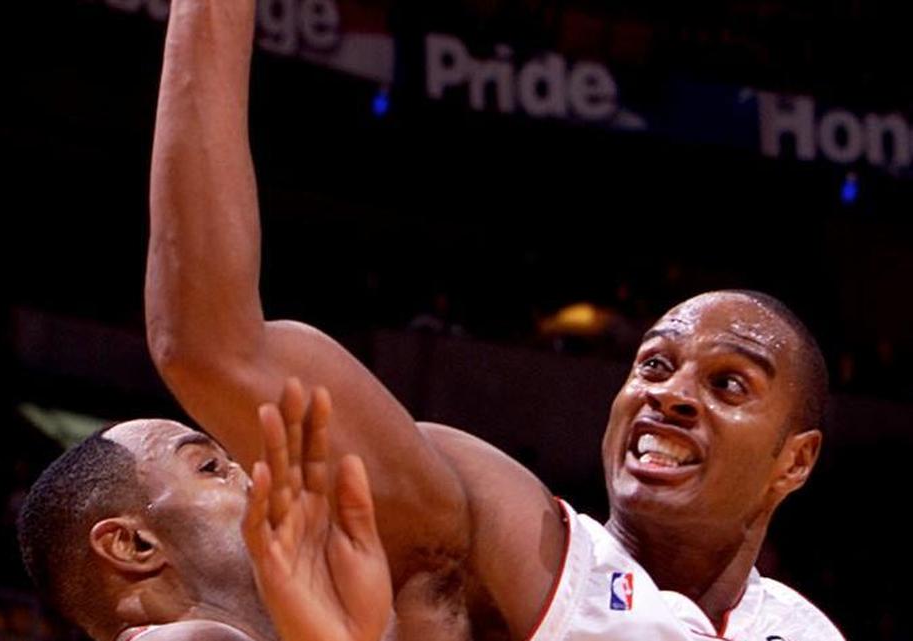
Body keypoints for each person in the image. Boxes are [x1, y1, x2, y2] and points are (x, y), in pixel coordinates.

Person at [141, 0, 845, 636]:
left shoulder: (806, 630)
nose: (670, 393)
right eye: (654, 364)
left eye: (728, 384)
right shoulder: (514, 541)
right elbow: (212, 347)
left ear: (795, 460)